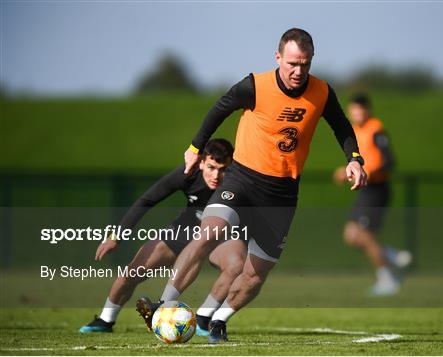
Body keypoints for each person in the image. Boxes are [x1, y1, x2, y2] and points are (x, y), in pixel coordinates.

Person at [136, 28, 368, 343]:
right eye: (292, 64)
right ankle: (164, 305)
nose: (298, 71)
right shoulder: (254, 86)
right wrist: (194, 148)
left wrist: (354, 159)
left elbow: (341, 125)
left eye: (305, 64)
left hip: (282, 193)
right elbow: (218, 109)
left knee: (257, 272)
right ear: (278, 58)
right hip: (243, 180)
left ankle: (215, 318)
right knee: (209, 234)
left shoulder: (322, 92)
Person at [79, 139, 246, 336]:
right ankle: (105, 320)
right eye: (211, 167)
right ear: (200, 162)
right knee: (131, 273)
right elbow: (147, 199)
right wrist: (117, 236)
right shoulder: (188, 173)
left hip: (218, 237)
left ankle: (203, 318)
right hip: (185, 229)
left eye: (223, 169)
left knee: (237, 264)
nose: (216, 175)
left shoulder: (240, 181)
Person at [334, 93, 412, 296]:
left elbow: (389, 161)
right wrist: (347, 172)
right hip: (366, 189)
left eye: (361, 109)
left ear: (368, 110)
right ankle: (392, 256)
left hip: (378, 189)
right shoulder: (356, 131)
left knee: (366, 234)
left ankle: (387, 279)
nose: (358, 112)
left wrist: (368, 172)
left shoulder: (376, 129)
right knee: (351, 236)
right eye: (354, 109)